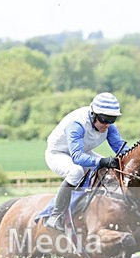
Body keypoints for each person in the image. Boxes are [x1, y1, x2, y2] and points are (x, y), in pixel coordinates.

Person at [43, 92, 130, 231]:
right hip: (58, 153)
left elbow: (121, 148)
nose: (107, 124)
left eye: (112, 120)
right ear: (93, 114)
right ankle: (55, 215)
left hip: (82, 152)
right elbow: (77, 157)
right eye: (103, 119)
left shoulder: (108, 126)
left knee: (108, 172)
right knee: (75, 172)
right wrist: (102, 161)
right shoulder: (77, 124)